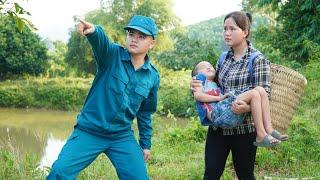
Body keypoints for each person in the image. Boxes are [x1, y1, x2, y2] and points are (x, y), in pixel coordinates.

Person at [46, 15, 160, 180]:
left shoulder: (152, 76)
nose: (134, 39)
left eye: (141, 36)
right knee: (59, 173)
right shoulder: (112, 55)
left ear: (152, 43)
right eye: (131, 34)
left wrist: (145, 145)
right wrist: (93, 31)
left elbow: (145, 112)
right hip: (89, 131)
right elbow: (101, 42)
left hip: (121, 135)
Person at [190, 11, 287, 179]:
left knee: (245, 175)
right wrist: (197, 84)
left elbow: (265, 97)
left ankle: (265, 131)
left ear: (245, 32)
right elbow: (216, 88)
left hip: (244, 130)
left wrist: (246, 108)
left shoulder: (258, 60)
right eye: (225, 29)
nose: (227, 33)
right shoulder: (223, 59)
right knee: (211, 173)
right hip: (219, 127)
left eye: (232, 29)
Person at [191, 61, 288, 147]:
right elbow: (198, 96)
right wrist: (219, 98)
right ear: (197, 74)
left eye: (210, 66)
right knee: (254, 93)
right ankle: (260, 135)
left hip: (226, 111)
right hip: (217, 115)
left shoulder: (217, 83)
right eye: (203, 67)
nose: (208, 67)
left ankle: (269, 129)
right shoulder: (200, 80)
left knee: (261, 90)